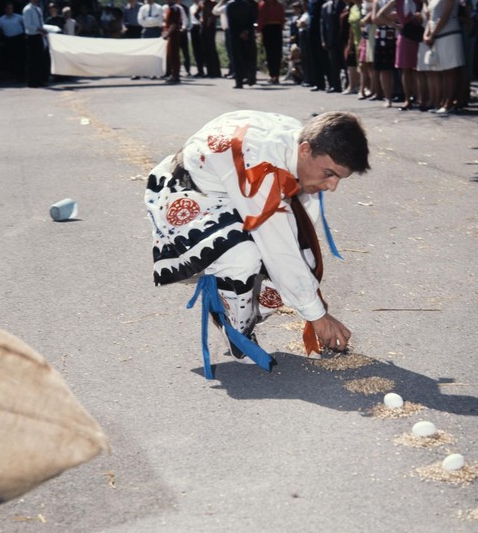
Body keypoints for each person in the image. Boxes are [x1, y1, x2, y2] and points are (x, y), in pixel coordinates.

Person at [144, 110, 370, 377]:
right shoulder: (260, 164)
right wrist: (317, 317)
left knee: (304, 261)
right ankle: (237, 332)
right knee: (243, 255)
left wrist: (310, 298)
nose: (332, 186)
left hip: (231, 194)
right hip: (189, 195)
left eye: (339, 178)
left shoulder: (299, 144)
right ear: (306, 150)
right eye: (329, 173)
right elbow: (279, 248)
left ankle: (242, 309)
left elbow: (296, 239)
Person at [377, 0, 423, 109]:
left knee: (416, 68)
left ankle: (419, 97)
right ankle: (407, 98)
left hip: (417, 34)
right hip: (404, 35)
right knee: (406, 68)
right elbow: (381, 14)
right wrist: (395, 26)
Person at [424, 0, 465, 115]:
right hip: (437, 38)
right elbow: (430, 19)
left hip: (449, 36)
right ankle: (441, 102)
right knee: (440, 71)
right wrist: (426, 34)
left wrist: (432, 34)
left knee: (450, 72)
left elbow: (445, 17)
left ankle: (448, 103)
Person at [226, 0, 255, 89]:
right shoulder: (246, 4)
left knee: (236, 58)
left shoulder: (230, 5)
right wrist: (246, 31)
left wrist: (239, 33)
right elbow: (251, 19)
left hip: (235, 36)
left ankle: (239, 81)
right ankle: (251, 76)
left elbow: (231, 22)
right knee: (247, 56)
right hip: (246, 35)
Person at [257, 0, 285, 84]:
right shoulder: (279, 5)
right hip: (277, 29)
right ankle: (276, 75)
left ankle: (273, 75)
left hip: (267, 29)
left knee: (270, 53)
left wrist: (259, 30)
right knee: (277, 53)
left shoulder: (262, 5)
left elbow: (261, 19)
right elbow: (282, 19)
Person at [320, 0, 346, 93]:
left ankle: (349, 84)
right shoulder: (326, 6)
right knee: (333, 64)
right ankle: (335, 85)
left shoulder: (343, 3)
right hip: (330, 39)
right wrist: (323, 40)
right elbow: (323, 25)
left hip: (342, 39)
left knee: (345, 63)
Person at [22, 0, 47, 88]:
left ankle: (40, 79)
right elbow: (28, 25)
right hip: (32, 36)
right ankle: (32, 81)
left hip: (39, 35)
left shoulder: (38, 9)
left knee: (39, 58)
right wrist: (38, 29)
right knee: (32, 60)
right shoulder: (27, 9)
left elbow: (41, 21)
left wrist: (42, 30)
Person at [0, 1, 25, 81]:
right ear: (5, 9)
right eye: (8, 8)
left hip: (19, 38)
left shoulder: (18, 17)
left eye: (11, 8)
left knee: (21, 58)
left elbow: (26, 24)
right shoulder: (1, 19)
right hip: (9, 40)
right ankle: (15, 76)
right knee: (12, 59)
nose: (10, 10)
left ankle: (23, 75)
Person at [197, 0, 221, 78]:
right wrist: (200, 18)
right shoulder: (201, 3)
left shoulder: (212, 2)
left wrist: (211, 19)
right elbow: (196, 14)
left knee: (212, 49)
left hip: (210, 27)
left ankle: (216, 71)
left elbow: (217, 14)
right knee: (205, 49)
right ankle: (209, 71)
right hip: (203, 27)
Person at [188, 0, 205, 77]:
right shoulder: (191, 7)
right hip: (194, 26)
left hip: (200, 26)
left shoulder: (201, 5)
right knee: (196, 50)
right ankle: (200, 70)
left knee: (202, 49)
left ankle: (205, 69)